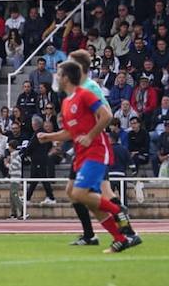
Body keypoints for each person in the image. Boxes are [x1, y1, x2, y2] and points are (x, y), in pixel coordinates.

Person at [37, 60, 140, 253]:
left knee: (79, 193)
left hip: (96, 150)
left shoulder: (85, 94)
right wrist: (49, 137)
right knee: (84, 198)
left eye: (59, 74)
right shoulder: (66, 102)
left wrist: (91, 135)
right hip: (81, 154)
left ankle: (118, 212)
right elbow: (71, 132)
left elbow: (107, 116)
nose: (56, 78)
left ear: (66, 77)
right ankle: (119, 238)